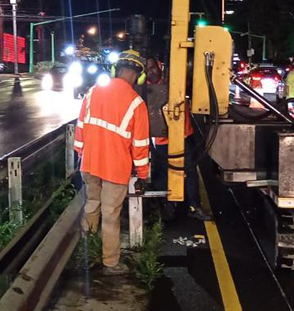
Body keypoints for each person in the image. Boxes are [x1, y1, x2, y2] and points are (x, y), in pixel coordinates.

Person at [74, 49, 150, 276]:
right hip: (115, 169)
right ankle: (110, 261)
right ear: (138, 76)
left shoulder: (93, 91)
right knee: (110, 214)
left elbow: (80, 127)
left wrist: (80, 153)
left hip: (89, 163)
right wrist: (143, 175)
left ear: (115, 70)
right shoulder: (137, 104)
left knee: (92, 203)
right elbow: (140, 145)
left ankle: (86, 247)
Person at [145, 57, 212, 221]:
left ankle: (193, 206)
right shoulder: (145, 89)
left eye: (153, 67)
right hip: (162, 141)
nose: (151, 72)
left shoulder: (175, 80)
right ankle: (164, 209)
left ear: (159, 66)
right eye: (147, 69)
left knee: (190, 171)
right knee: (163, 175)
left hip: (184, 135)